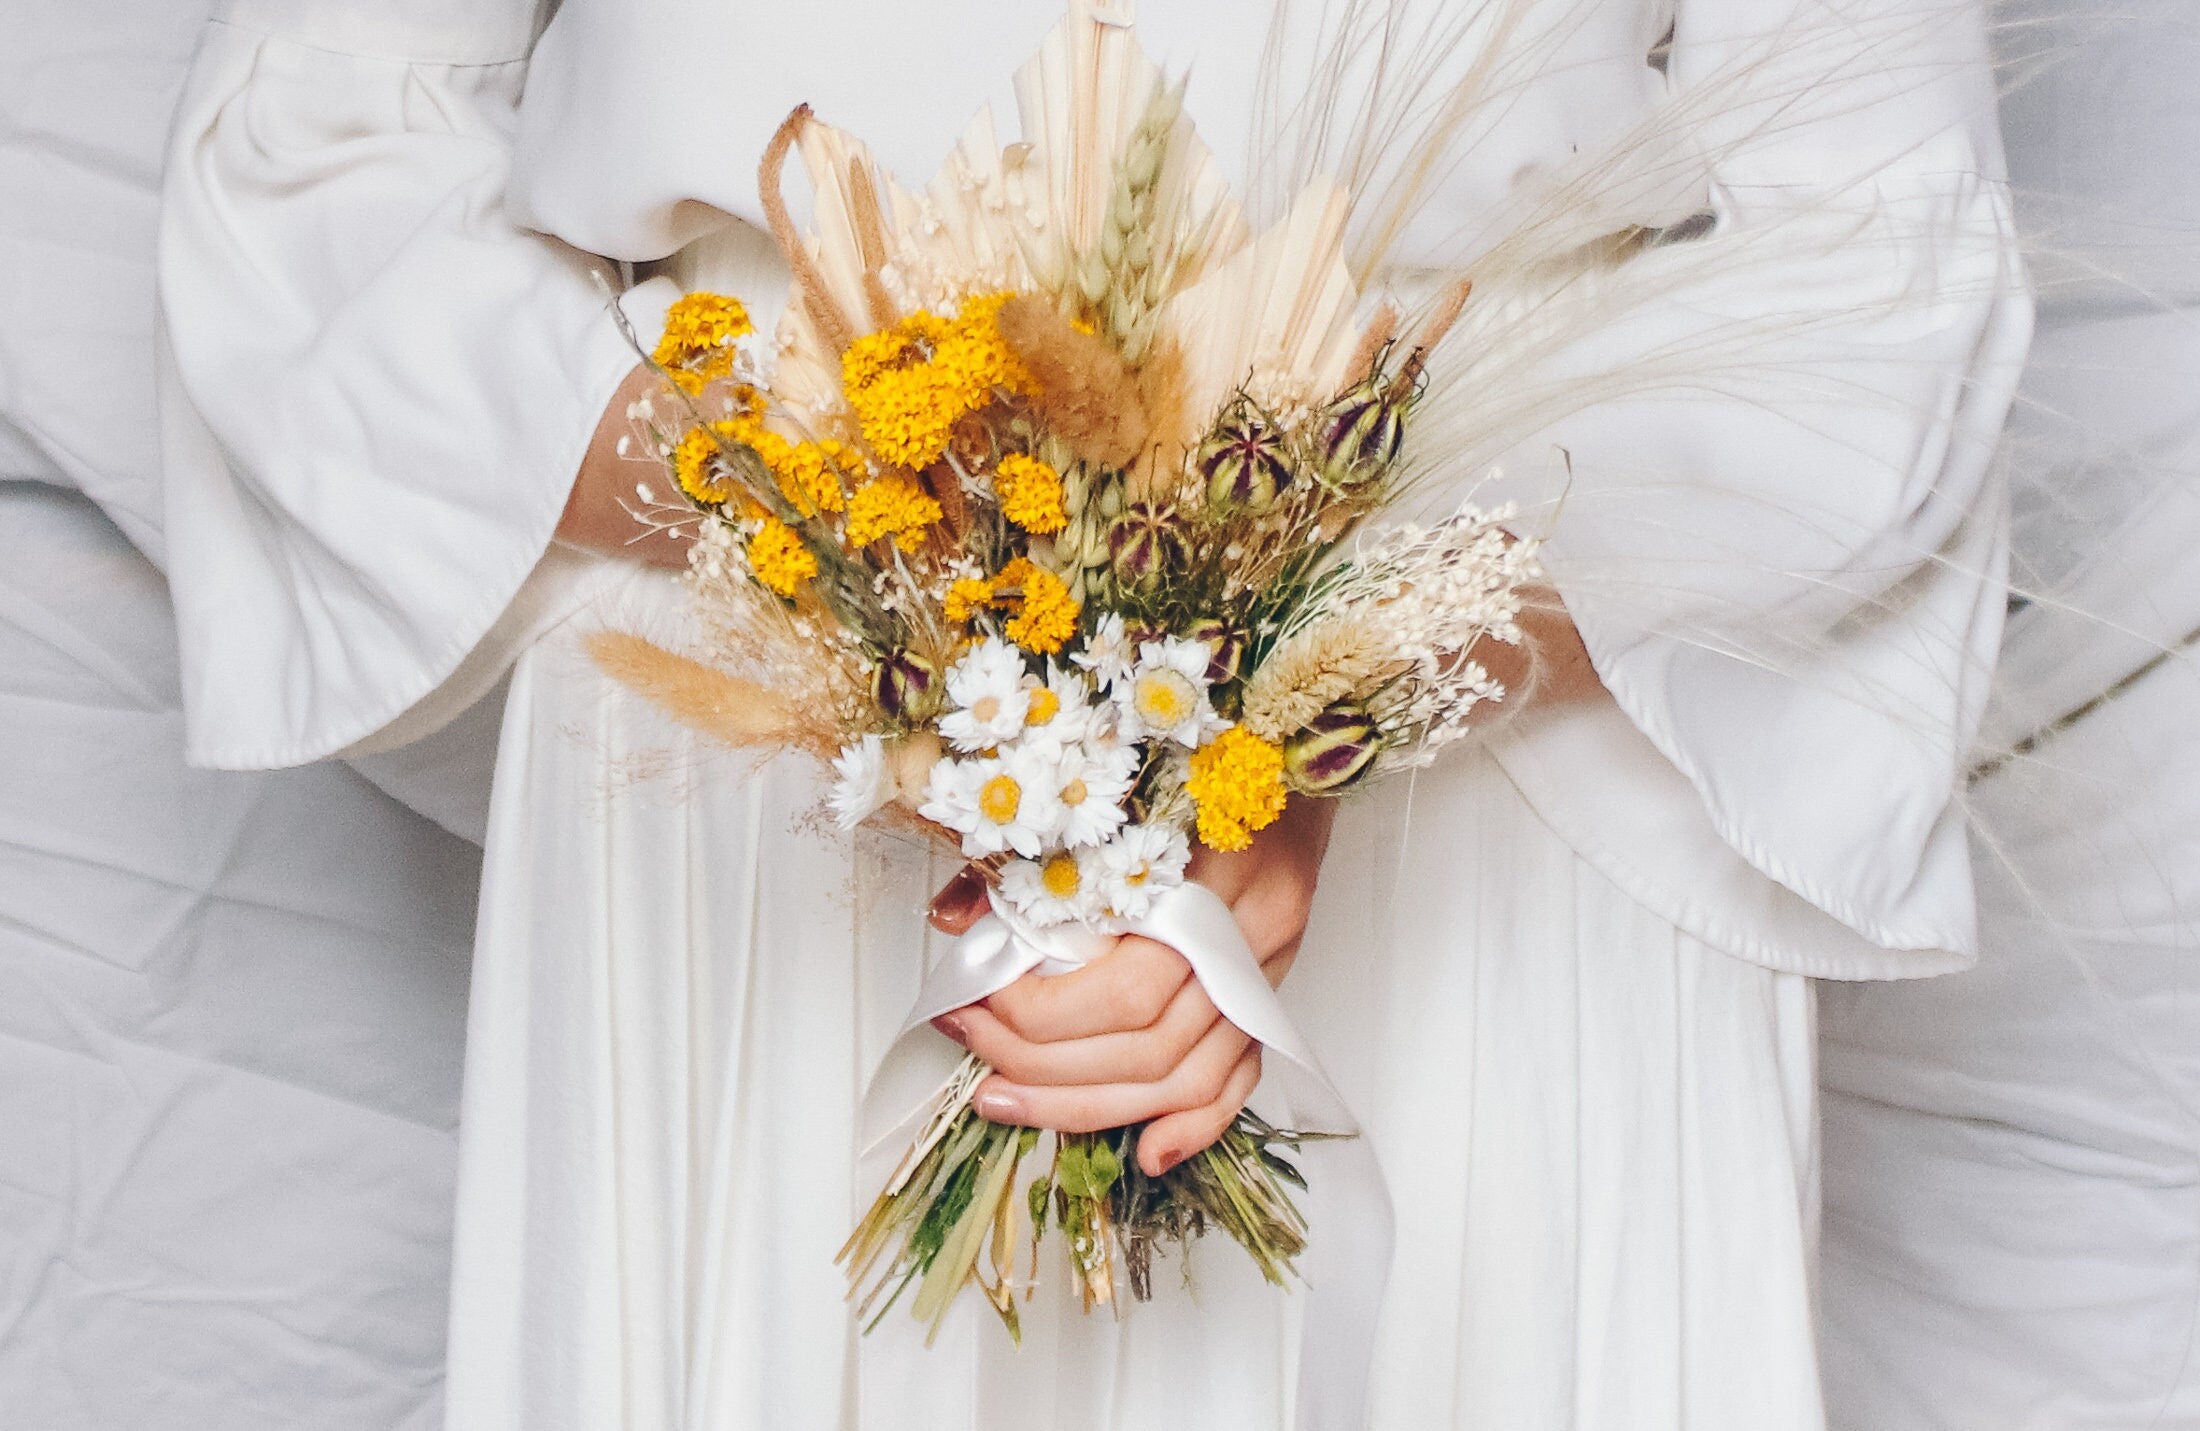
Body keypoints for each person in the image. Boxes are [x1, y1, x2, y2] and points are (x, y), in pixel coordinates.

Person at [156, 0, 2026, 1426]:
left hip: (1503, 718)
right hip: (753, 724)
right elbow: (314, 170)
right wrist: (888, 589)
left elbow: (1879, 248)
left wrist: (1299, 695)